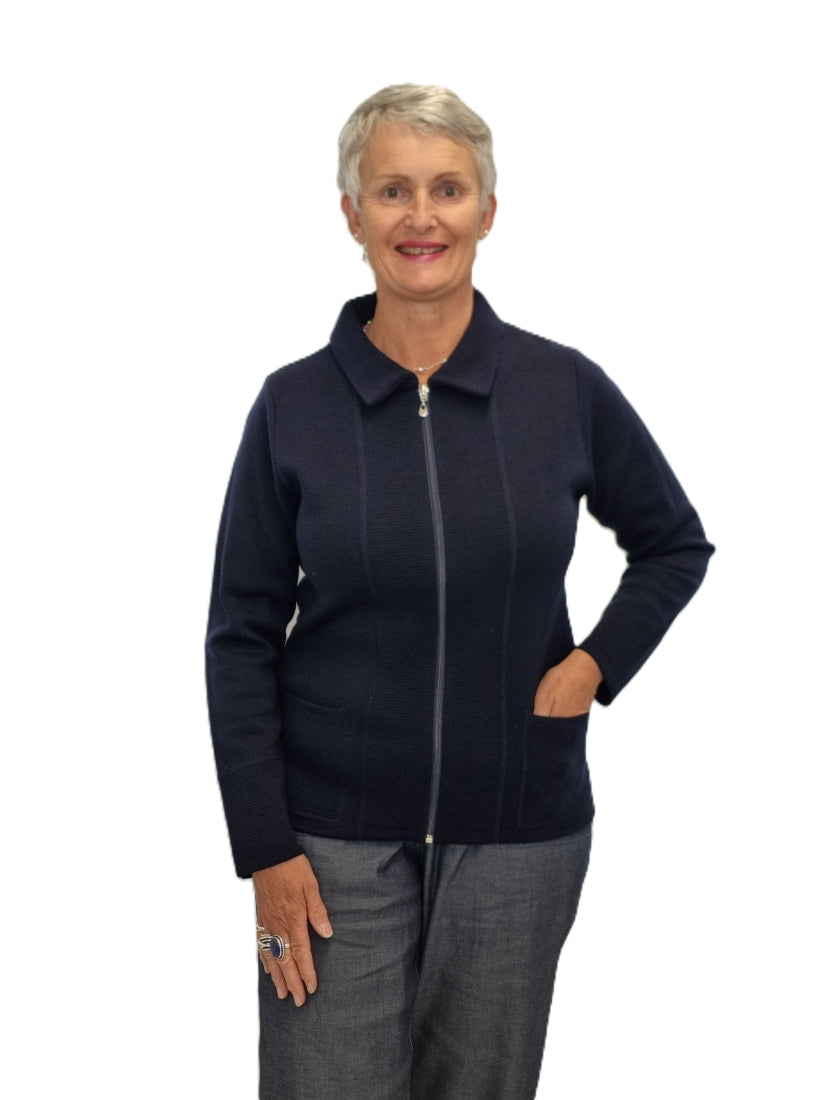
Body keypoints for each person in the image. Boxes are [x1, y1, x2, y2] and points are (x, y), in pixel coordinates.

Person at [206, 83, 713, 1100]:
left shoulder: (562, 389)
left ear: (488, 210)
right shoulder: (293, 405)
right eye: (391, 190)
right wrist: (264, 847)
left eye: (448, 188)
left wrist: (592, 666)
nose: (421, 216)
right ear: (352, 214)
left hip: (519, 833)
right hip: (329, 847)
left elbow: (673, 543)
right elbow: (240, 634)